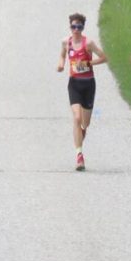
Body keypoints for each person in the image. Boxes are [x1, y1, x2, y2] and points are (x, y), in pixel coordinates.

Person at [55, 12, 107, 171]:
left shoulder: (88, 43)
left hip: (89, 84)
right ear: (70, 27)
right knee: (77, 118)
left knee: (85, 123)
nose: (76, 30)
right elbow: (62, 56)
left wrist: (89, 63)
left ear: (83, 28)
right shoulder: (66, 42)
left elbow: (104, 57)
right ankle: (79, 156)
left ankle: (82, 130)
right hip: (74, 84)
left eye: (79, 27)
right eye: (73, 27)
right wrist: (61, 65)